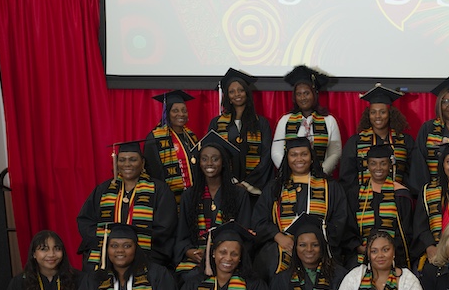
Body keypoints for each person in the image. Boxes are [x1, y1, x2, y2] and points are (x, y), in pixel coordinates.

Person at [252, 137, 348, 281]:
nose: (299, 159)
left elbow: (340, 220)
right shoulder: (275, 187)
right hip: (283, 247)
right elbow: (259, 220)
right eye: (294, 155)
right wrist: (279, 237)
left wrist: (316, 242)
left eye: (304, 154)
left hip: (320, 246)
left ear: (311, 158)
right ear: (287, 159)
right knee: (270, 262)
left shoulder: (330, 187)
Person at [77, 140, 177, 269]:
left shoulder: (159, 190)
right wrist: (109, 243)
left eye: (133, 160)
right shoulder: (103, 189)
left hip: (147, 252)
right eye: (122, 160)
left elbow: (165, 228)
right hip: (107, 253)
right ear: (116, 163)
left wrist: (131, 246)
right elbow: (86, 220)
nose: (127, 164)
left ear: (143, 163)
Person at [174, 131, 252, 275]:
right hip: (197, 257)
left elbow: (244, 233)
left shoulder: (238, 194)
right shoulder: (189, 195)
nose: (209, 163)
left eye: (215, 159)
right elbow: (182, 235)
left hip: (228, 257)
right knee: (187, 277)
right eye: (204, 159)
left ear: (223, 163)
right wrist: (188, 251)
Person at [339, 83, 427, 194]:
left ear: (390, 114)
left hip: (396, 201)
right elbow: (348, 177)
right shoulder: (355, 142)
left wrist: (403, 195)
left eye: (382, 112)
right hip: (363, 201)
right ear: (368, 115)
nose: (377, 116)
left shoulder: (405, 141)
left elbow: (413, 175)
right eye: (373, 112)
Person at [345, 144, 414, 268]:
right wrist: (361, 248)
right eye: (373, 163)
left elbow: (405, 232)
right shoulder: (356, 194)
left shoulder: (401, 194)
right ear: (367, 165)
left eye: (383, 163)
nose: (378, 168)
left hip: (393, 256)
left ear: (390, 165)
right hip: (362, 256)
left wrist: (387, 251)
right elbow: (349, 228)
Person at [209, 68, 274, 196]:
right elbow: (212, 153)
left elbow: (266, 156)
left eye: (241, 90)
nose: (237, 94)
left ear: (247, 93)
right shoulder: (217, 123)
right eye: (232, 92)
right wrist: (231, 181)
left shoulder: (261, 123)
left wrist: (246, 184)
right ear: (227, 96)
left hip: (254, 189)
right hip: (225, 188)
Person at [274, 65, 342, 177]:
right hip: (290, 178)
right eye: (299, 94)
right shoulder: (285, 120)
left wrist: (320, 173)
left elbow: (335, 153)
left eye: (306, 93)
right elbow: (276, 152)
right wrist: (292, 171)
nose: (303, 98)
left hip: (321, 179)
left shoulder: (329, 121)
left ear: (314, 94)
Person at [144, 90, 199, 205]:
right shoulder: (156, 137)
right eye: (175, 111)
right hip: (169, 200)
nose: (181, 114)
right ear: (167, 113)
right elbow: (154, 172)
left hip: (193, 198)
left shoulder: (191, 136)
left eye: (184, 110)